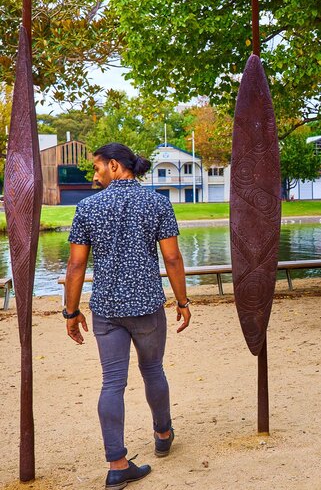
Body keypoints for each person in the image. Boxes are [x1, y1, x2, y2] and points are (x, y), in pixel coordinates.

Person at [63, 143, 192, 489]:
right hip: (148, 306)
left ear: (116, 166)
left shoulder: (87, 208)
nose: (95, 175)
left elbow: (75, 266)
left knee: (112, 383)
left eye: (97, 168)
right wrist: (182, 301)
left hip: (107, 310)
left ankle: (117, 465)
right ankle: (163, 433)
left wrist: (70, 312)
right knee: (153, 370)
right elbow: (173, 259)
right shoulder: (157, 203)